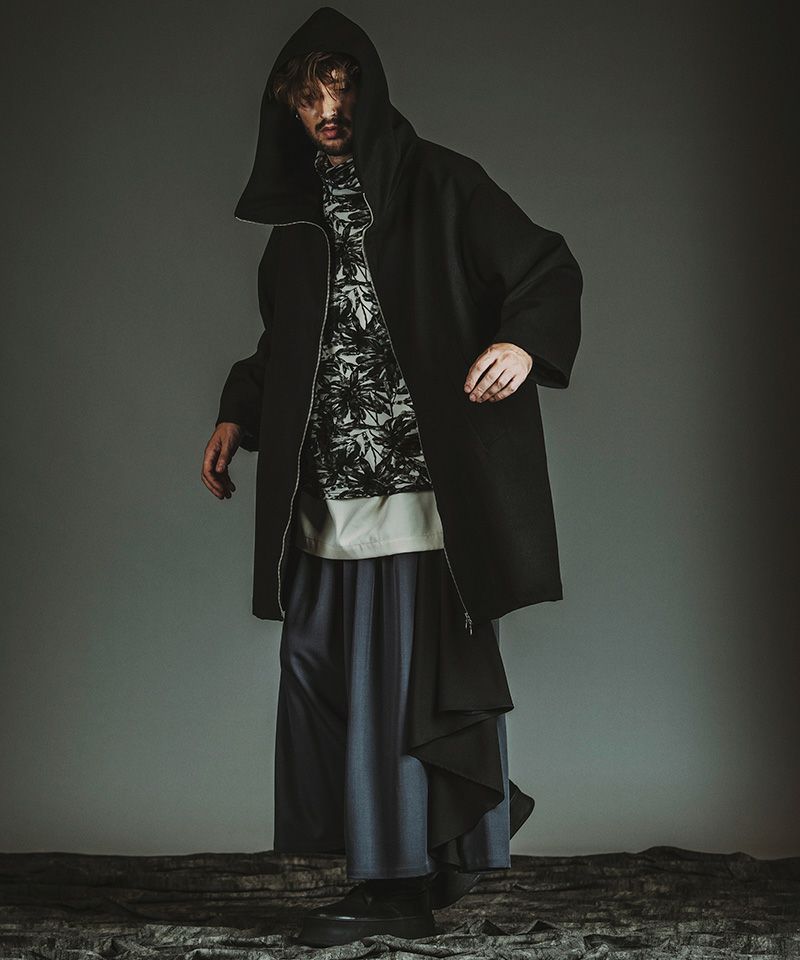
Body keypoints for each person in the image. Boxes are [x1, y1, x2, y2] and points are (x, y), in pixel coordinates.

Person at [201, 6, 582, 947]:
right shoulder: (297, 225)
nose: (328, 110)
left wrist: (520, 343)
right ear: (290, 110)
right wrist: (238, 413)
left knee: (399, 684)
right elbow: (288, 344)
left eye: (341, 89)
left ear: (368, 91)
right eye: (309, 97)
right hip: (328, 489)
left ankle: (396, 884)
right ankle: (422, 845)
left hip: (422, 491)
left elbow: (545, 267)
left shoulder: (442, 184)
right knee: (323, 672)